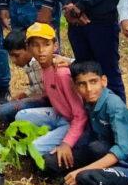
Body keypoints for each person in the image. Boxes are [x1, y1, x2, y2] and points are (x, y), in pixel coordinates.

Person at [14, 22, 89, 176]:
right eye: (35, 45)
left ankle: (65, 144)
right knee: (20, 116)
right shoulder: (44, 67)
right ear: (28, 48)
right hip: (58, 114)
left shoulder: (62, 73)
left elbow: (80, 115)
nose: (41, 50)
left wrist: (66, 143)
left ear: (55, 46)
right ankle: (51, 136)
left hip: (70, 121)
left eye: (46, 44)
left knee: (34, 148)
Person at [59, 60, 128, 185]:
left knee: (95, 148)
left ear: (104, 81)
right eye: (82, 84)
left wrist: (83, 170)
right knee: (54, 164)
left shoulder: (113, 105)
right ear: (75, 87)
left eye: (93, 82)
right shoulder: (89, 101)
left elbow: (123, 149)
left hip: (127, 155)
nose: (89, 89)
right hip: (104, 145)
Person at [0, 29, 54, 124]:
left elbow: (49, 92)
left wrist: (28, 99)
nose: (13, 60)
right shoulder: (29, 64)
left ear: (28, 48)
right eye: (11, 56)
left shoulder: (41, 63)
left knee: (4, 111)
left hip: (50, 102)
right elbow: (36, 86)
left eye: (16, 55)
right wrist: (24, 94)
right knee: (4, 108)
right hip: (42, 99)